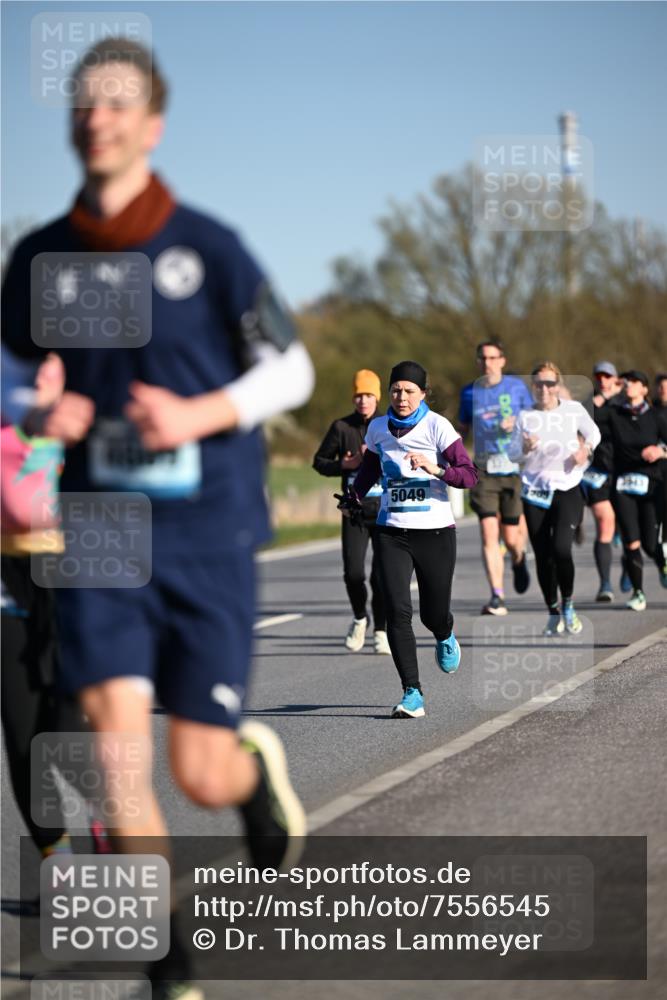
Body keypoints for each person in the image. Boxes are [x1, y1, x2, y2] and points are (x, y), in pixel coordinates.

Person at [1, 39, 313, 999]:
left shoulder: (205, 248)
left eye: (117, 103)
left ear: (152, 124)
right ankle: (171, 971)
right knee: (117, 761)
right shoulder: (39, 258)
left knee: (200, 772)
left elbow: (290, 369)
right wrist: (36, 413)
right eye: (83, 103)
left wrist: (198, 414)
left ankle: (249, 774)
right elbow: (9, 375)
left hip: (207, 529)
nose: (97, 118)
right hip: (99, 536)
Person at [339, 361, 478, 718]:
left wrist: (436, 468)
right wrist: (355, 496)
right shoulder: (378, 428)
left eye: (409, 391)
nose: (402, 397)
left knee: (433, 614)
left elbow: (469, 476)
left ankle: (444, 634)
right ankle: (412, 692)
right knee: (398, 612)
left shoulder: (438, 426)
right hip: (391, 531)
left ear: (423, 393)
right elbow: (370, 468)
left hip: (435, 533)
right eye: (396, 390)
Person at [508, 362, 600, 636]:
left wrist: (585, 450)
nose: (544, 389)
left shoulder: (573, 410)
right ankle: (552, 611)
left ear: (558, 385)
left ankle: (568, 603)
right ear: (533, 387)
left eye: (549, 383)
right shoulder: (524, 416)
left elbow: (594, 433)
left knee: (561, 549)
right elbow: (512, 453)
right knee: (543, 555)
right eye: (539, 384)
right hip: (534, 493)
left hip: (567, 488)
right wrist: (524, 448)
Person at [313, 369, 389, 653]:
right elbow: (319, 462)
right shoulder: (341, 427)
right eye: (358, 395)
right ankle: (360, 618)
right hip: (353, 512)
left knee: (381, 577)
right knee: (353, 573)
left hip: (385, 512)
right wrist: (344, 465)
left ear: (377, 397)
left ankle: (381, 631)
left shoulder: (388, 424)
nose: (363, 400)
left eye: (368, 395)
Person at [458, 340, 532, 616]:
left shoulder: (516, 388)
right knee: (489, 533)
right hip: (484, 471)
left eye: (492, 357)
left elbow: (534, 420)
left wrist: (517, 423)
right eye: (482, 358)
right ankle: (497, 595)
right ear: (478, 362)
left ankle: (518, 557)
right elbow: (462, 428)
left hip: (513, 469)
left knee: (511, 538)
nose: (487, 363)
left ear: (502, 360)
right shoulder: (469, 392)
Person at [601, 370, 667, 610]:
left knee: (650, 543)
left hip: (651, 484)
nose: (629, 384)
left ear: (645, 389)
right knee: (631, 540)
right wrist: (607, 394)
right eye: (626, 381)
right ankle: (638, 593)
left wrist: (661, 451)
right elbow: (588, 417)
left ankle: (662, 564)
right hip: (623, 484)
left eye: (635, 381)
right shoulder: (614, 414)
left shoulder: (656, 416)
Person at [580, 361, 624, 601]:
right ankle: (605, 584)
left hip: (625, 470)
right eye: (598, 377)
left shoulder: (626, 400)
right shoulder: (589, 403)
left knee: (628, 526)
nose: (603, 381)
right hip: (598, 470)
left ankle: (629, 567)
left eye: (607, 376)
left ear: (616, 379)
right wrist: (601, 399)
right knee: (605, 522)